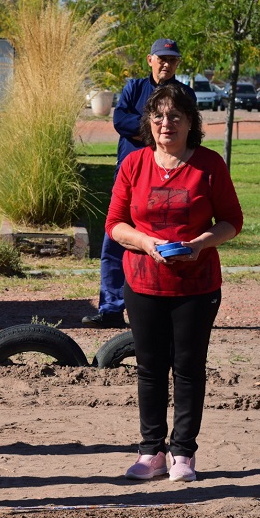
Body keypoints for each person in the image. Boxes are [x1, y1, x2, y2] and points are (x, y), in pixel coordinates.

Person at [106, 83, 243, 482]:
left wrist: (199, 244)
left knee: (188, 368)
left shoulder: (209, 165)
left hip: (196, 286)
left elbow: (232, 221)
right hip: (143, 282)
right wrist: (145, 243)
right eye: (159, 116)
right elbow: (115, 224)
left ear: (190, 122)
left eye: (175, 116)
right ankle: (151, 452)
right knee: (149, 368)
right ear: (149, 122)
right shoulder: (134, 164)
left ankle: (183, 453)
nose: (166, 123)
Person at [83, 39, 197, 328]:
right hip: (130, 174)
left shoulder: (185, 94)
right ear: (150, 60)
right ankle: (111, 309)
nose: (166, 63)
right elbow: (121, 121)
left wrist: (146, 130)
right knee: (116, 238)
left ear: (178, 63)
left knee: (164, 242)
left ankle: (165, 309)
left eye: (172, 59)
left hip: (170, 177)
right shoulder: (133, 88)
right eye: (162, 58)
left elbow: (189, 131)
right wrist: (158, 132)